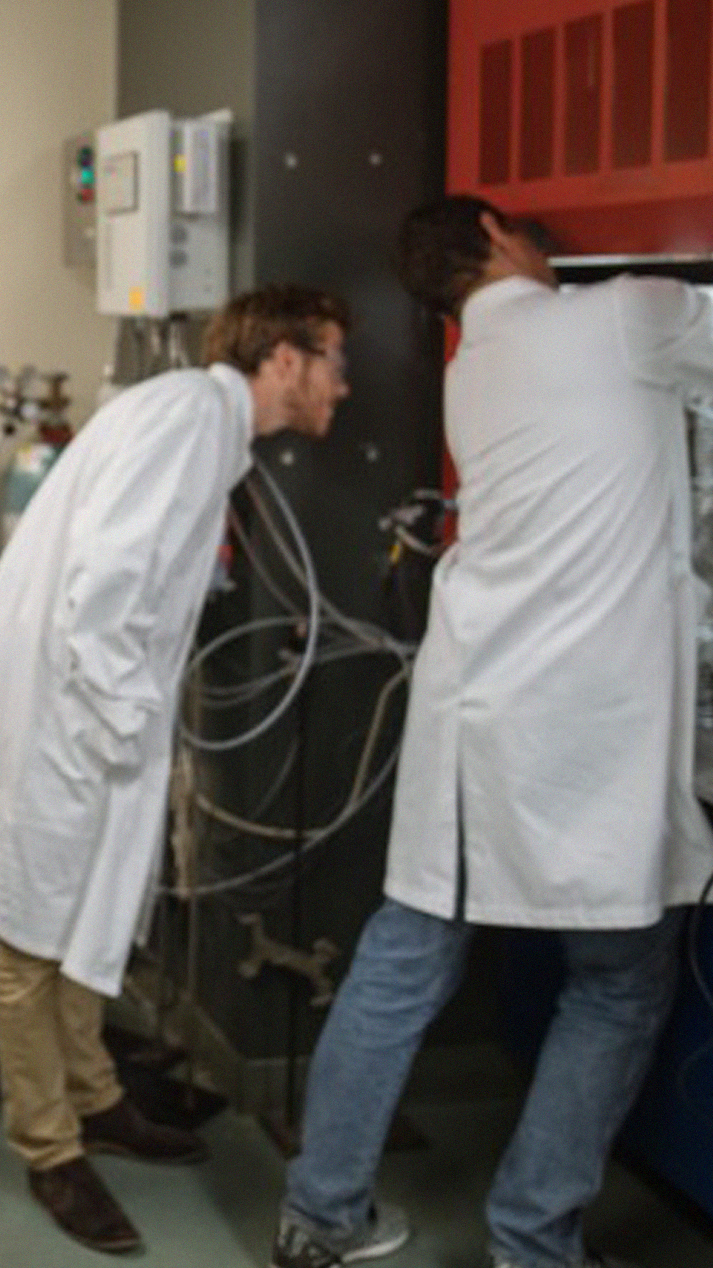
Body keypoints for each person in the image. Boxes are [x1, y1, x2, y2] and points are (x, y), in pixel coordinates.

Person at [271, 196, 713, 1268]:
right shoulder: (627, 313)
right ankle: (530, 1236)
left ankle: (318, 1215)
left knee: (402, 959)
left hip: (474, 715)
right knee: (618, 979)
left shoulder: (475, 366)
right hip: (584, 728)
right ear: (500, 234)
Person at [0, 285, 351, 1253]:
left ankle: (93, 1097)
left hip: (84, 711)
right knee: (30, 929)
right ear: (286, 359)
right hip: (64, 712)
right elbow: (103, 592)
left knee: (79, 912)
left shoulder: (202, 425)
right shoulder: (187, 420)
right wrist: (126, 718)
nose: (345, 384)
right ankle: (49, 1147)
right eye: (335, 359)